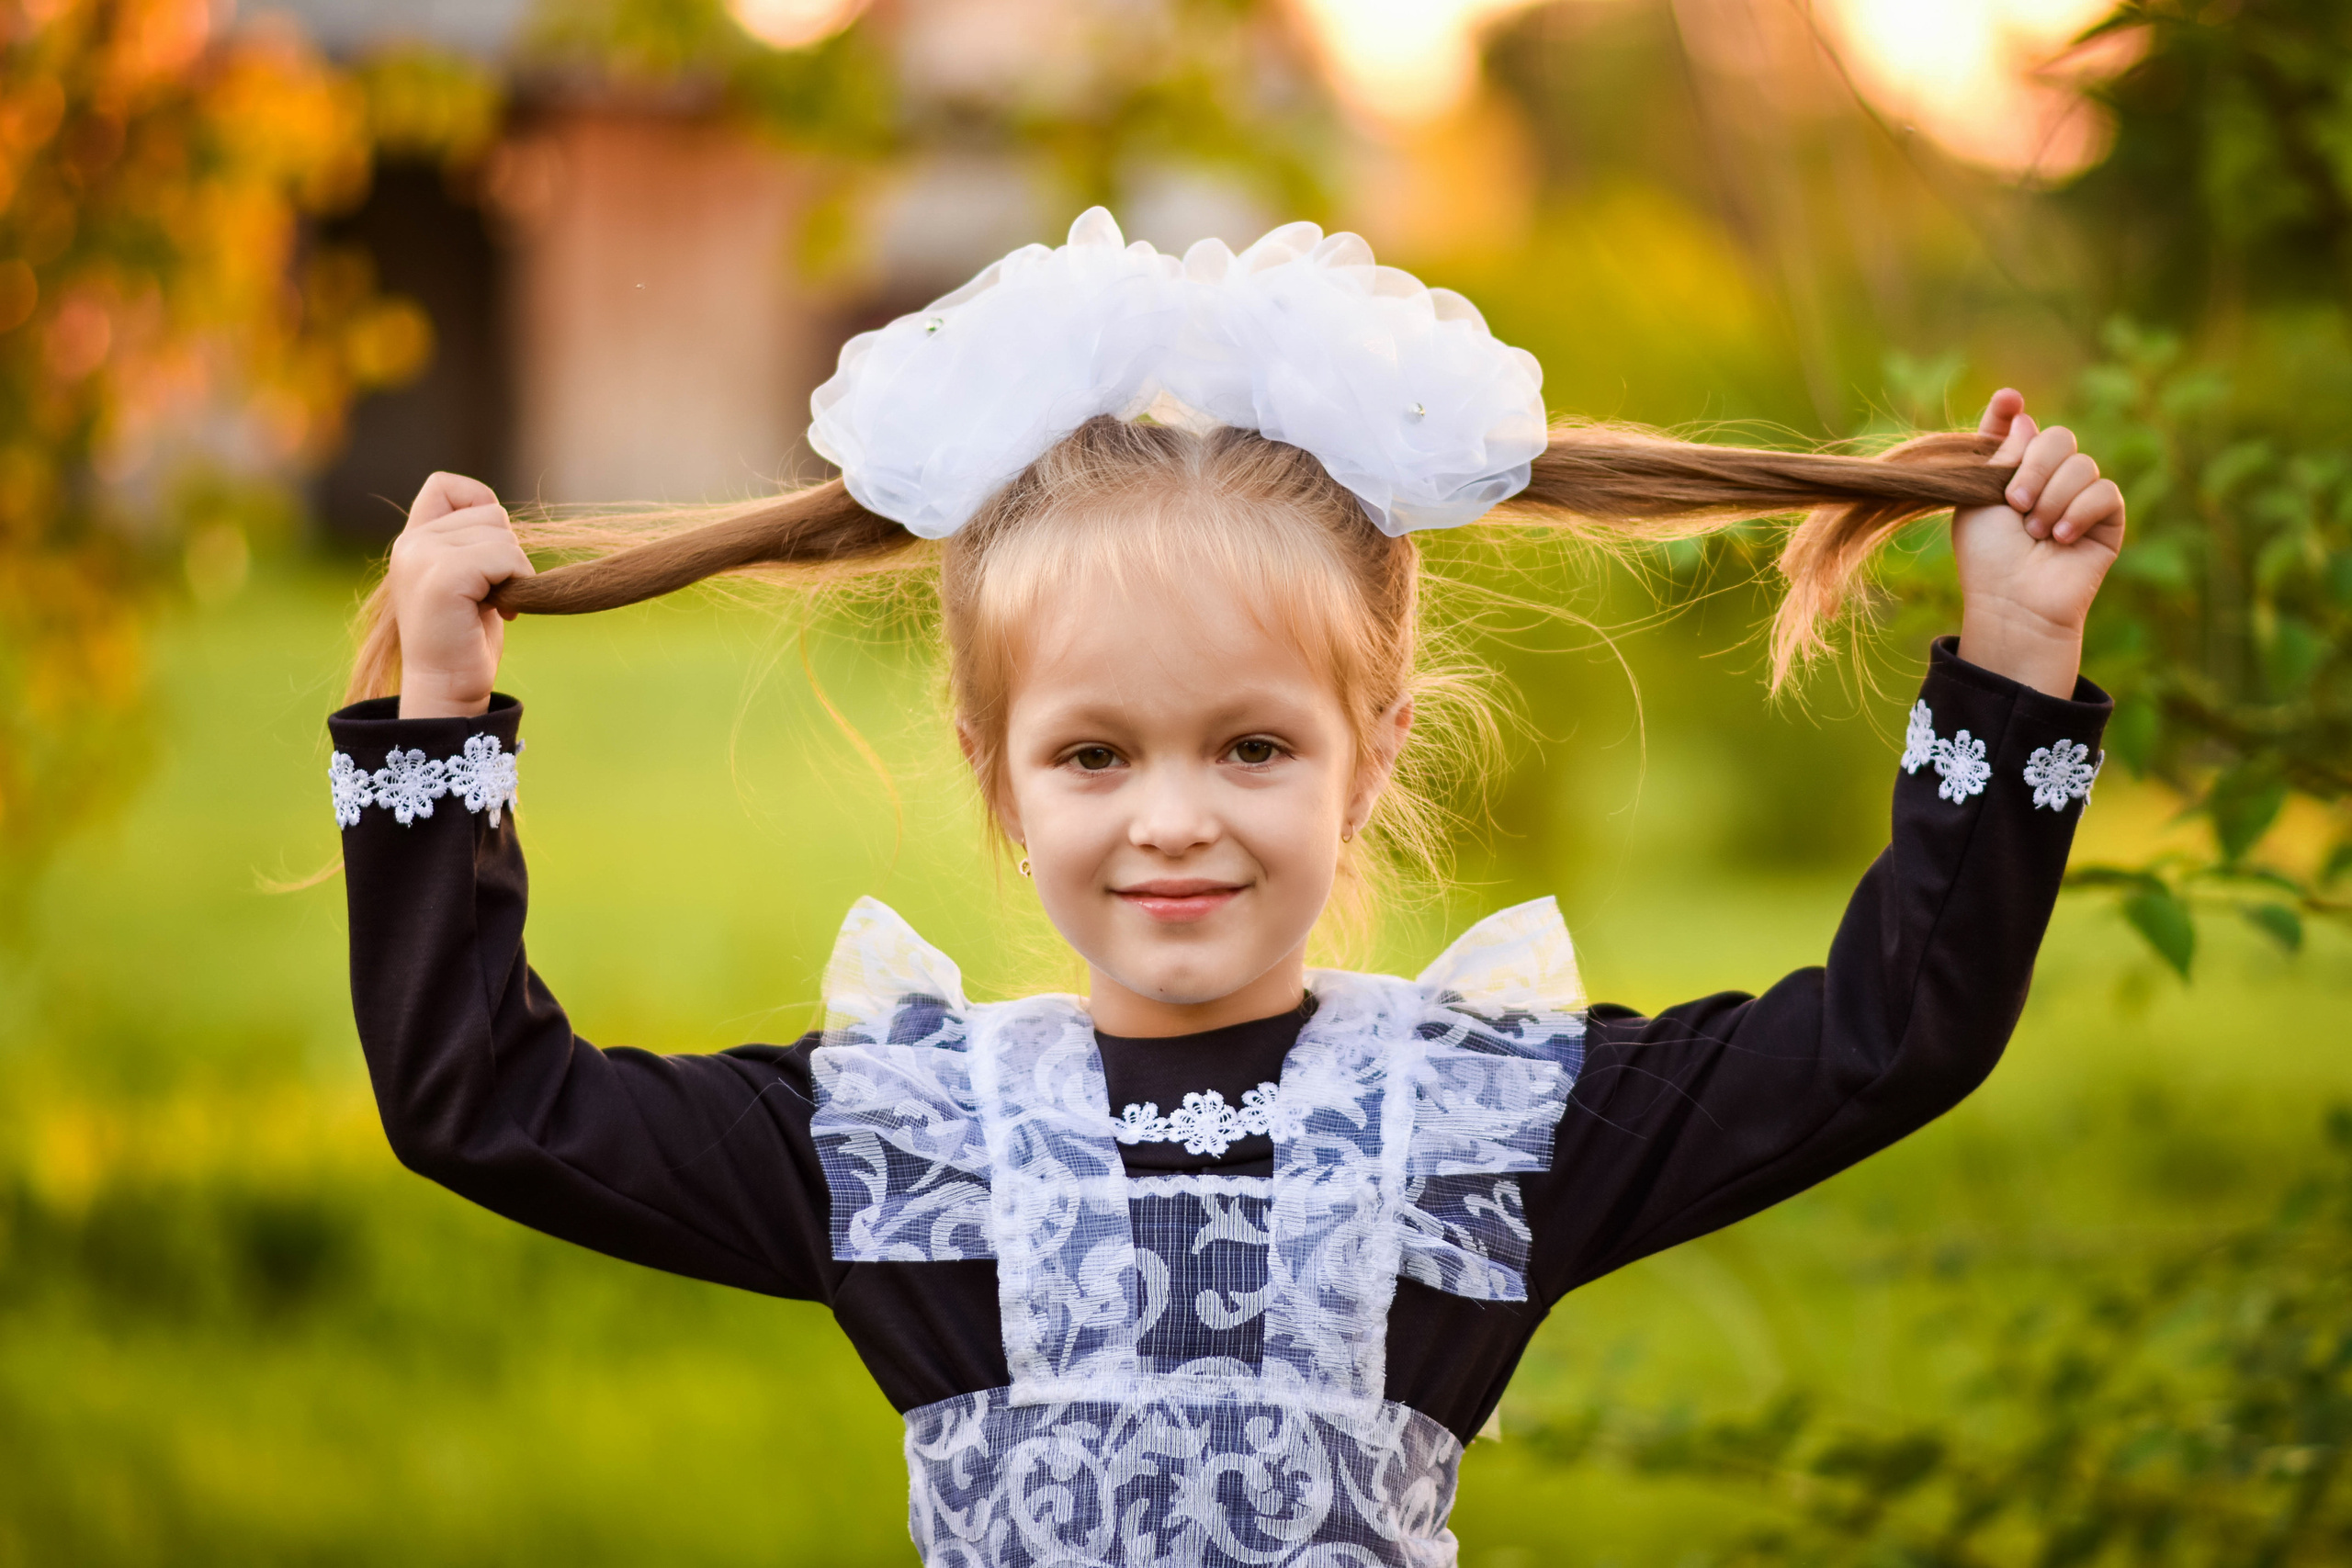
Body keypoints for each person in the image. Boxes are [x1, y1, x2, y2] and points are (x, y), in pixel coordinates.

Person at [324, 210, 2123, 1567]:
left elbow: (1895, 1033)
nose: (1171, 816)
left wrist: (2015, 656)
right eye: (1094, 755)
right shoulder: (909, 1146)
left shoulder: (1474, 1123)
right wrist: (435, 721)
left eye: (1249, 748)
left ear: (1369, 756)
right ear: (993, 775)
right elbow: (481, 1099)